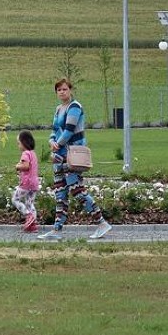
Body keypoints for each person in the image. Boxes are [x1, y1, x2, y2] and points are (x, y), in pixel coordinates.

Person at [38, 78, 112, 240]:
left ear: (70, 90)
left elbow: (69, 130)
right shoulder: (58, 109)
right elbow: (55, 130)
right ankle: (57, 230)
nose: (62, 92)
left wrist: (57, 143)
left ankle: (101, 222)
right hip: (59, 157)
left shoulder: (75, 107)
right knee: (60, 193)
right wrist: (51, 141)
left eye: (64, 89)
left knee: (77, 191)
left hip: (71, 156)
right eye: (59, 90)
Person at [12, 129, 39, 232]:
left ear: (24, 143)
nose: (18, 146)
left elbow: (26, 166)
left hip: (26, 183)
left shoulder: (25, 154)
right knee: (29, 203)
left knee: (15, 199)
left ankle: (28, 215)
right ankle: (33, 225)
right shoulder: (33, 154)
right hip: (34, 184)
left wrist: (18, 166)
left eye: (19, 143)